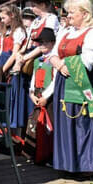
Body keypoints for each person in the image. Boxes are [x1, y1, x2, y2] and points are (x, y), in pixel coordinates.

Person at [49, 0, 93, 177]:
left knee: (82, 123)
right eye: (68, 12)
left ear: (84, 14)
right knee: (66, 122)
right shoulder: (66, 32)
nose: (68, 15)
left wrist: (62, 64)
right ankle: (69, 163)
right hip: (64, 80)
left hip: (82, 82)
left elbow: (88, 61)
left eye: (72, 12)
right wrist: (59, 64)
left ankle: (87, 165)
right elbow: (53, 54)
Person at [23, 28, 56, 163]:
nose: (42, 45)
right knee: (35, 124)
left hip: (49, 98)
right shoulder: (37, 61)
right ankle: (35, 153)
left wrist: (46, 97)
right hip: (37, 94)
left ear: (53, 43)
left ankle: (49, 155)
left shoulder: (55, 60)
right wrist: (31, 93)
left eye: (46, 42)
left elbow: (55, 80)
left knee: (50, 126)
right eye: (40, 42)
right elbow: (34, 78)